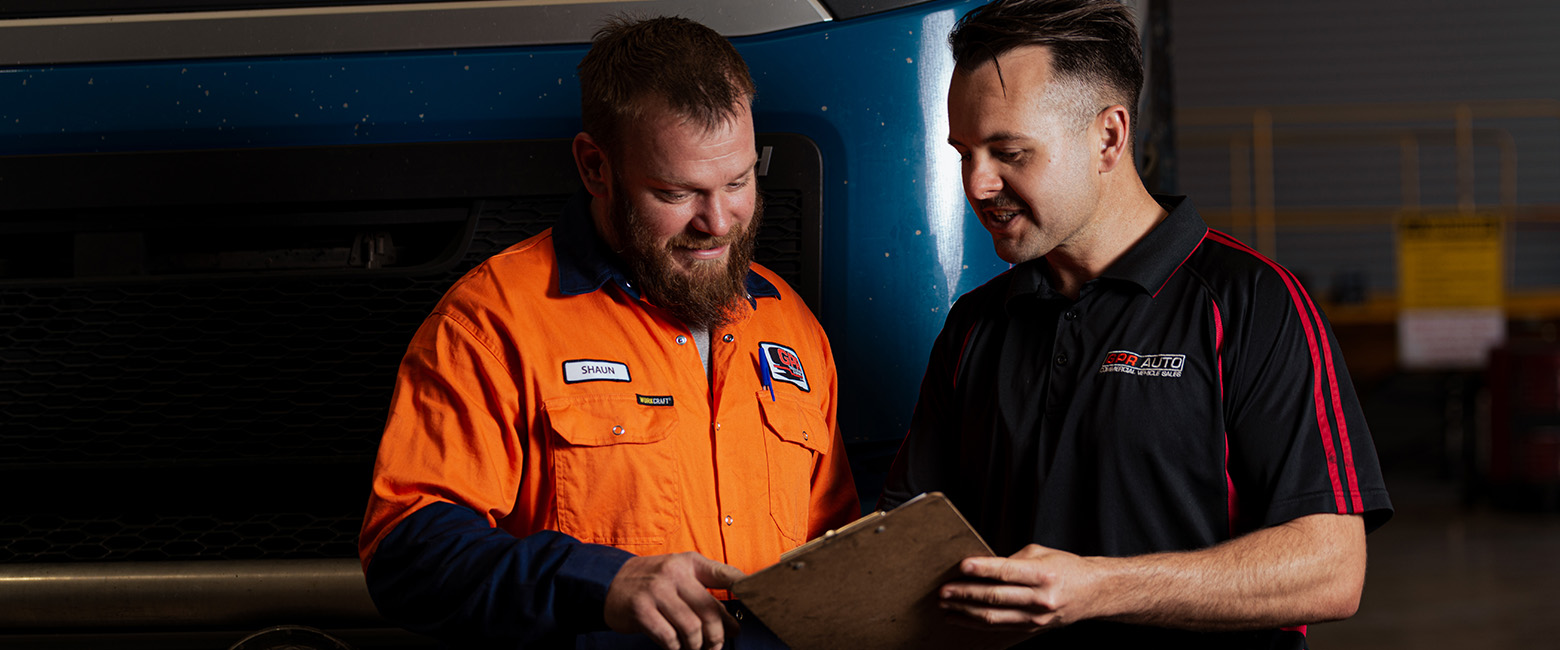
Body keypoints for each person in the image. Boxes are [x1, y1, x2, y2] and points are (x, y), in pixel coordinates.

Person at [880, 1, 1393, 648]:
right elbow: (905, 543)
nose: (978, 183)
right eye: (965, 153)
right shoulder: (976, 327)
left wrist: (1097, 588)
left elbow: (1332, 570)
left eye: (1009, 151)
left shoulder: (1252, 303)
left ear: (1109, 137)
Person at [358, 16, 858, 650]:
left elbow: (834, 550)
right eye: (677, 193)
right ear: (596, 167)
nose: (718, 221)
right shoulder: (492, 322)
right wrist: (600, 581)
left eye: (738, 182)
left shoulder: (790, 324)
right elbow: (407, 552)